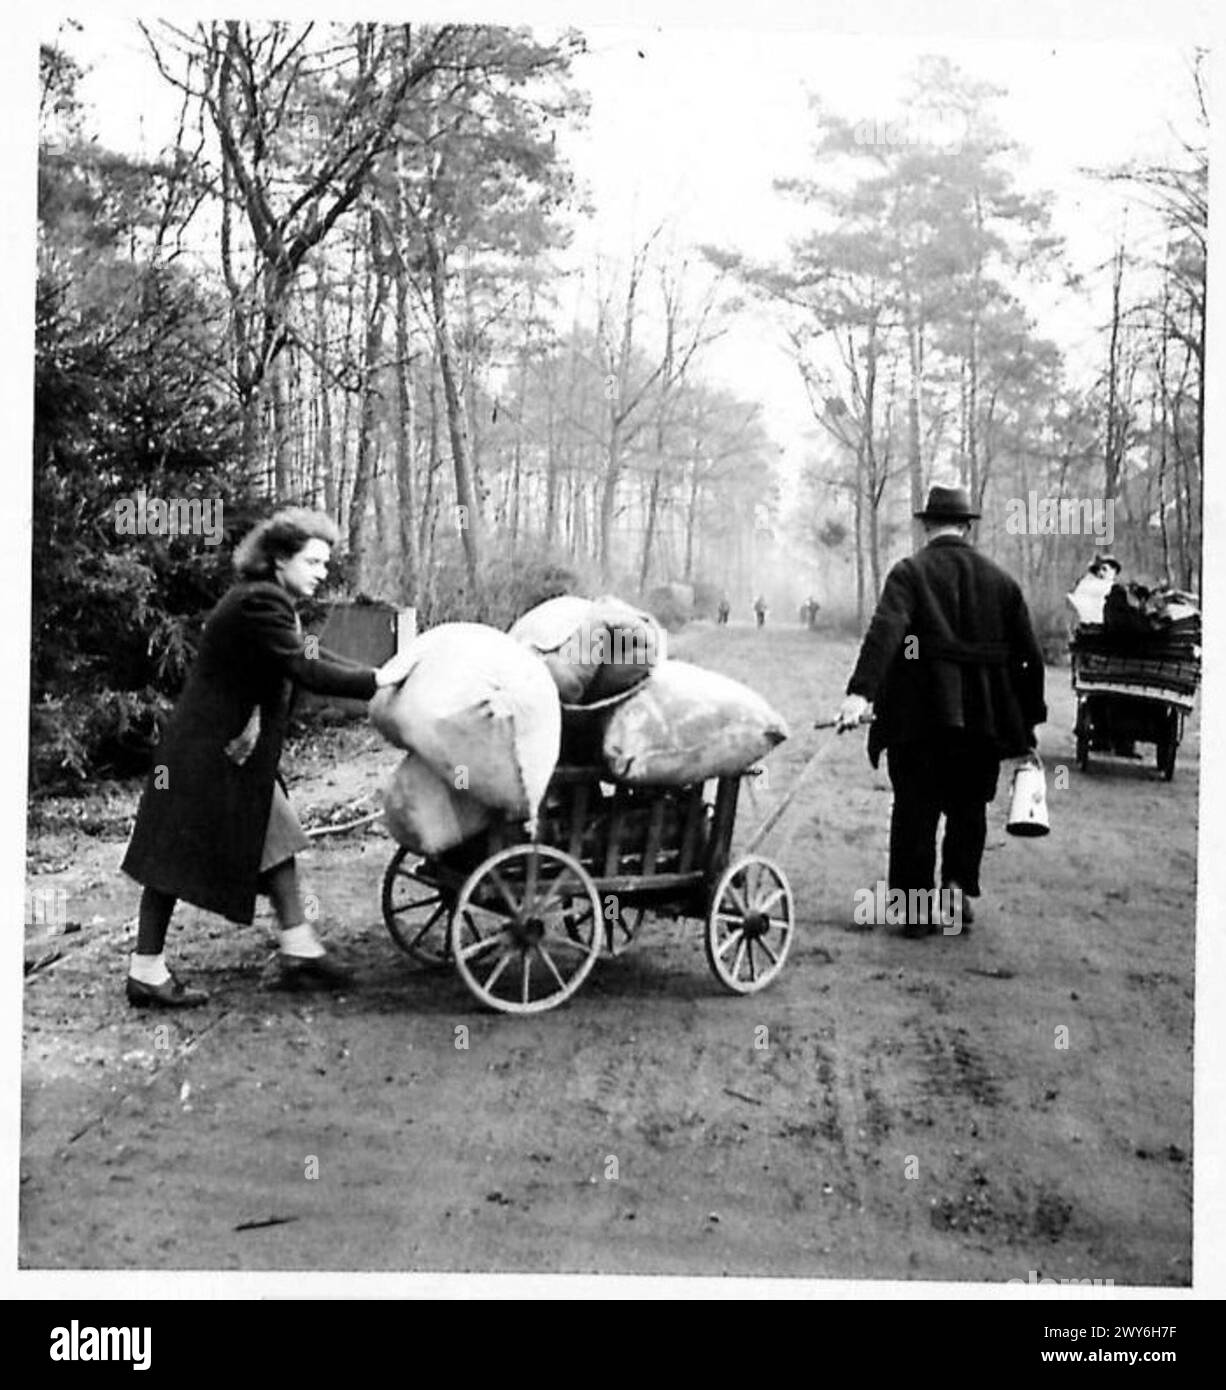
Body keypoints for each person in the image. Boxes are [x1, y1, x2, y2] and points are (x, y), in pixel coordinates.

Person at [120, 508, 416, 1008]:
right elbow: (306, 665)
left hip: (232, 750)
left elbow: (305, 654)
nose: (323, 572)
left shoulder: (269, 600)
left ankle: (299, 946)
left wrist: (379, 671)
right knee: (167, 860)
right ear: (279, 560)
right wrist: (379, 680)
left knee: (277, 837)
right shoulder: (260, 602)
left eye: (325, 562)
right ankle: (146, 971)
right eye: (314, 561)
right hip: (207, 754)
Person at [834, 485, 1047, 937]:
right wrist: (1028, 723)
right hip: (983, 722)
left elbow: (886, 633)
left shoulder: (909, 573)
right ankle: (955, 891)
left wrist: (860, 693)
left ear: (926, 525)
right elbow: (1029, 657)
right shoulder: (1002, 582)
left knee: (914, 808)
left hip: (918, 718)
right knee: (969, 807)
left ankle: (914, 909)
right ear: (967, 526)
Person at [1067, 554, 1121, 626]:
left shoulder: (1112, 588)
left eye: (1104, 569)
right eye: (1098, 570)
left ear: (1114, 571)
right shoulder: (1091, 585)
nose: (1100, 573)